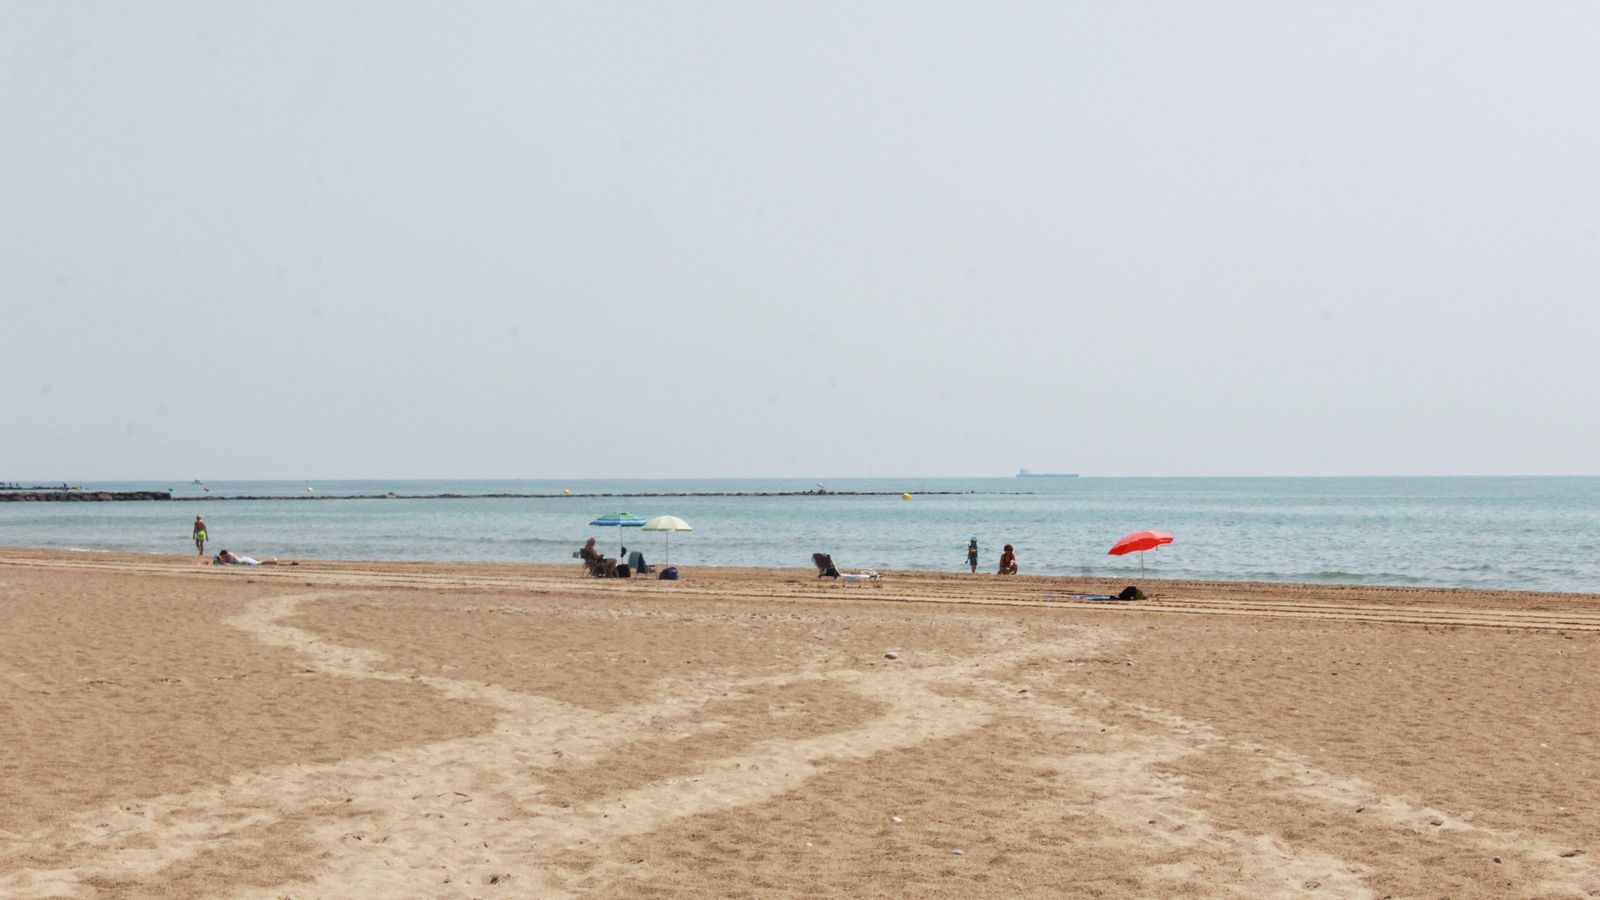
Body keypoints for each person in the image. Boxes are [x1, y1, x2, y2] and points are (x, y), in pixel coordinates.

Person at [215, 549, 295, 566]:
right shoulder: (228, 555)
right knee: (260, 562)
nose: (222, 557)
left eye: (222, 556)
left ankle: (274, 561)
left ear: (224, 554)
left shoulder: (229, 555)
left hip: (245, 561)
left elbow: (230, 564)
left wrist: (222, 562)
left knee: (260, 563)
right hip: (245, 559)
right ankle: (273, 561)